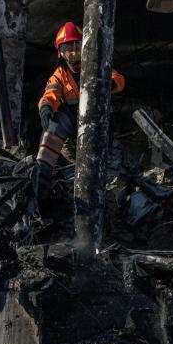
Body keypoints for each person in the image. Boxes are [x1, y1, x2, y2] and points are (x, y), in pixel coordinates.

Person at [32, 21, 126, 207]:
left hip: (97, 129)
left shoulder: (97, 66)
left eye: (78, 47)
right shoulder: (59, 76)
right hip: (71, 137)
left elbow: (118, 79)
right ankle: (42, 179)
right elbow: (49, 95)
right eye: (69, 48)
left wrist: (106, 84)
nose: (74, 53)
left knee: (108, 169)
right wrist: (45, 110)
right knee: (56, 125)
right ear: (61, 52)